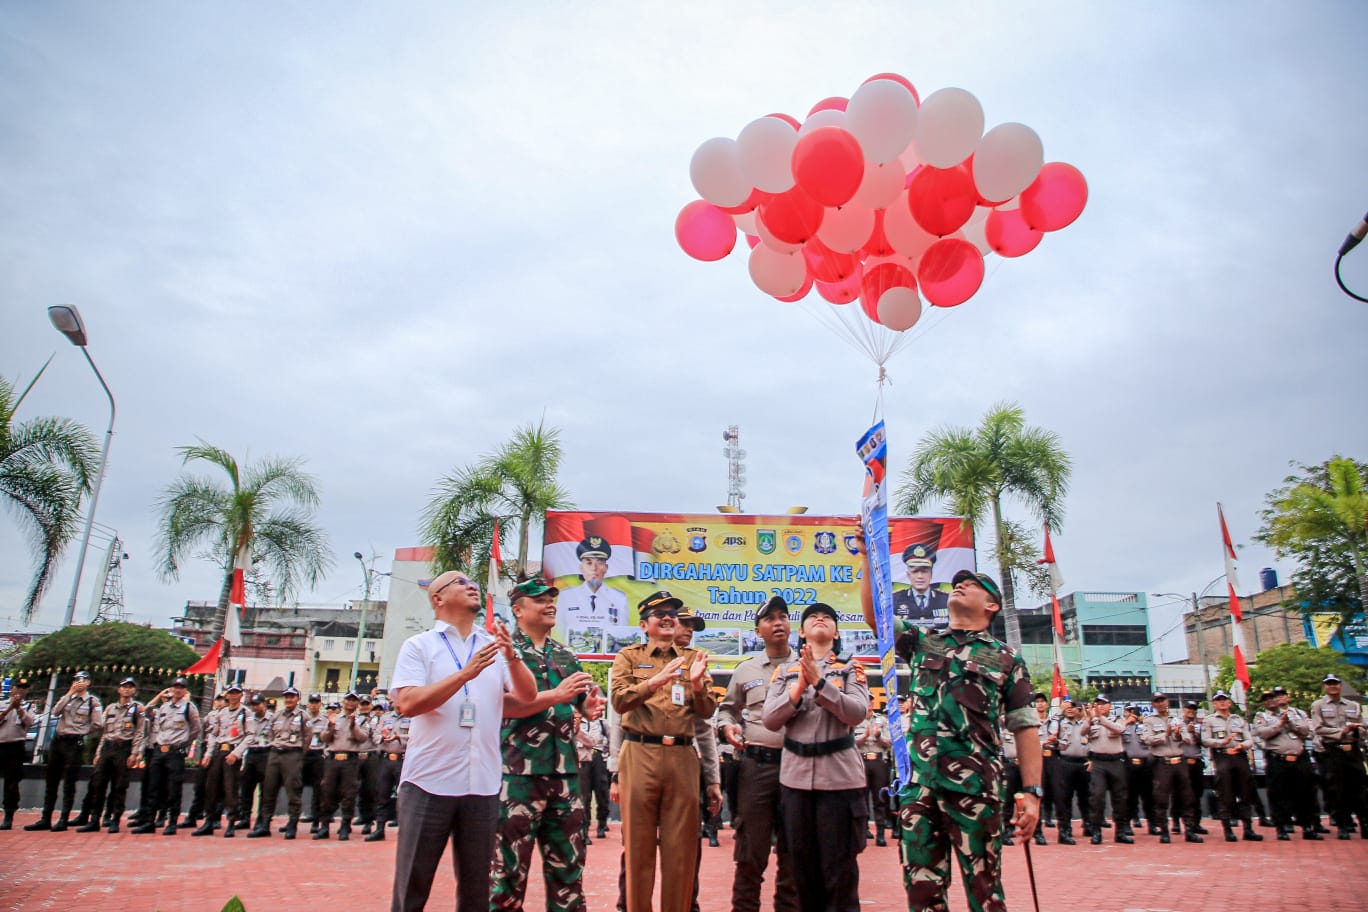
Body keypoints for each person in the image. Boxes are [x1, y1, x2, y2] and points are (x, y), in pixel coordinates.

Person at [859, 558, 1041, 912]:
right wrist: (867, 556)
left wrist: (1032, 792)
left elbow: (1025, 727)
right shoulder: (924, 642)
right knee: (923, 894)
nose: (960, 584)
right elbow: (875, 617)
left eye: (972, 583)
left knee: (985, 891)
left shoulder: (1006, 658)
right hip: (920, 787)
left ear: (992, 605)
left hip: (976, 791)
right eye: (958, 582)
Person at [388, 569, 536, 912]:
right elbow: (408, 703)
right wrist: (465, 674)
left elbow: (526, 698)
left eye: (472, 583)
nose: (471, 587)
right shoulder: (419, 646)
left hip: (481, 784)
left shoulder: (493, 647)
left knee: (476, 890)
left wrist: (511, 655)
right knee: (412, 884)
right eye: (460, 583)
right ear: (437, 598)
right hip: (428, 782)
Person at [491, 575, 606, 912]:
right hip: (518, 776)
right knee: (507, 875)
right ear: (518, 609)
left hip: (565, 776)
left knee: (569, 873)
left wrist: (589, 707)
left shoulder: (565, 655)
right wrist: (556, 696)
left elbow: (581, 701)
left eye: (552, 598)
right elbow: (503, 704)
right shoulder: (503, 652)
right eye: (540, 599)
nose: (549, 604)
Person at [610, 590, 714, 912]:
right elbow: (619, 701)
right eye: (660, 614)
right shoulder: (627, 656)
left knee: (680, 852)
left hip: (682, 757)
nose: (668, 617)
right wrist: (655, 681)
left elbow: (707, 712)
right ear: (645, 624)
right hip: (640, 753)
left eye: (672, 612)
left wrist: (697, 686)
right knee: (638, 850)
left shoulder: (694, 658)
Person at [762, 602, 869, 912]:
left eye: (827, 618)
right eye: (812, 617)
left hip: (839, 781)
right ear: (802, 632)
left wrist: (820, 684)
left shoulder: (851, 667)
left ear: (836, 633)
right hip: (795, 782)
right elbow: (770, 719)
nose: (820, 620)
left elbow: (857, 712)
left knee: (839, 873)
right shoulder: (785, 671)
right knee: (801, 871)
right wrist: (798, 689)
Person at [717, 594, 799, 912]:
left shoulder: (807, 666)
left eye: (782, 616)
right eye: (769, 619)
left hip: (799, 768)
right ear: (758, 631)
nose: (778, 623)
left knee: (794, 852)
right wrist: (727, 727)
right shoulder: (745, 670)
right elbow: (726, 711)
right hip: (756, 768)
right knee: (751, 852)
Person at [27, 669, 103, 832]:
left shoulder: (92, 702)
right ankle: (45, 818)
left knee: (69, 782)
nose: (79, 682)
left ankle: (63, 819)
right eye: (76, 679)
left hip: (74, 743)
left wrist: (82, 731)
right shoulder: (67, 697)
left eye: (82, 679)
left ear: (89, 682)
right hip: (58, 741)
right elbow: (55, 712)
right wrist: (69, 693)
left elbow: (98, 724)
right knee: (51, 780)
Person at [130, 677, 201, 835]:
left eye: (181, 687)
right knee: (153, 786)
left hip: (175, 752)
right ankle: (149, 821)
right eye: (175, 687)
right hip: (159, 750)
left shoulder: (189, 707)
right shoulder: (164, 707)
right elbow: (146, 711)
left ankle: (172, 822)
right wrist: (159, 696)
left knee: (173, 788)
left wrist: (183, 743)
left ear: (185, 690)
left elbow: (196, 729)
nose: (177, 690)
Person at [76, 676, 145, 833]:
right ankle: (94, 820)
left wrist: (135, 753)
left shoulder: (137, 709)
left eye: (130, 687)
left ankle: (114, 818)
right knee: (98, 784)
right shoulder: (110, 708)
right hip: (108, 748)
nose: (127, 689)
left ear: (134, 690)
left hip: (124, 749)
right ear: (119, 689)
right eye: (124, 686)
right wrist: (99, 752)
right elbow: (104, 732)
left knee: (119, 786)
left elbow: (139, 732)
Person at [1253, 686, 1321, 840]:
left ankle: (1307, 826)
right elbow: (1263, 733)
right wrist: (1279, 724)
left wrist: (1289, 723)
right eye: (1267, 700)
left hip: (1299, 758)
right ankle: (1282, 827)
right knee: (1279, 794)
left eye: (1273, 697)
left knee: (1305, 793)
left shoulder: (1296, 713)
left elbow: (1307, 732)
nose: (1271, 701)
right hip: (1278, 759)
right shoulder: (1261, 716)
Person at [1199, 690, 1262, 842]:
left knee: (1245, 793)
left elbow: (1249, 739)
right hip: (1222, 756)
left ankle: (1248, 829)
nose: (1222, 702)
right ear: (1214, 703)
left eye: (1224, 700)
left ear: (1229, 702)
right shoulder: (1209, 721)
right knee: (1225, 794)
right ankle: (1228, 830)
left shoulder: (1239, 720)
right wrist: (1222, 742)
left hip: (1239, 756)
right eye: (1218, 700)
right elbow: (1205, 740)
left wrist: (1242, 745)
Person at [1139, 693, 1202, 843]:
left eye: (1163, 701)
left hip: (1180, 761)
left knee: (1187, 797)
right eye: (1157, 702)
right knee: (1161, 798)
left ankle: (1190, 830)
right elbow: (1147, 740)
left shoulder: (1177, 719)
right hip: (1162, 762)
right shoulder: (1149, 721)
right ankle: (1164, 831)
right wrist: (1165, 736)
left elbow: (1188, 740)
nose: (1160, 704)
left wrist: (1179, 734)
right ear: (1153, 705)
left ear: (1167, 702)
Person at [1310, 673, 1367, 839]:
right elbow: (1318, 728)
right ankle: (1343, 824)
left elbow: (1362, 728)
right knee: (1337, 789)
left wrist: (1357, 730)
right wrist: (1342, 732)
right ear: (1325, 687)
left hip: (1353, 750)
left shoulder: (1353, 705)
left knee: (1360, 788)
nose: (1332, 686)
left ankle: (1364, 823)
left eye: (1335, 683)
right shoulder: (1318, 705)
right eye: (1329, 684)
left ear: (1341, 686)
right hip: (1334, 751)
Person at [248, 685, 309, 839]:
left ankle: (292, 825)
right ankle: (264, 824)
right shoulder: (277, 716)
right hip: (275, 753)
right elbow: (268, 734)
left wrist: (299, 753)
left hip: (292, 754)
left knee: (292, 790)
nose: (289, 700)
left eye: (292, 697)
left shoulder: (303, 716)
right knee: (269, 790)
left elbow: (307, 737)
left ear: (297, 699)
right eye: (287, 697)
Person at [558, 536, 629, 651]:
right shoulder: (566, 597)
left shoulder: (619, 598)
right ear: (581, 568)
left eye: (599, 563)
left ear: (606, 568)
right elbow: (559, 633)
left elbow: (622, 634)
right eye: (589, 563)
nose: (594, 568)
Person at [195, 684, 248, 837]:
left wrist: (237, 753)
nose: (233, 696)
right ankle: (209, 821)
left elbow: (250, 736)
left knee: (230, 789)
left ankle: (231, 822)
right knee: (211, 787)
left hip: (233, 751)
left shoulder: (245, 713)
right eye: (231, 693)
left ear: (241, 695)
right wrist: (208, 754)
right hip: (219, 751)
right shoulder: (220, 713)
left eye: (236, 693)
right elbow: (212, 734)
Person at [313, 690, 367, 840]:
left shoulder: (361, 720)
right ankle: (324, 826)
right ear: (344, 702)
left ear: (357, 703)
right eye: (348, 700)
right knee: (327, 792)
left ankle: (345, 826)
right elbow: (324, 738)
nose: (350, 702)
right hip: (333, 759)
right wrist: (330, 726)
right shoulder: (333, 718)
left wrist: (353, 725)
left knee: (348, 794)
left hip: (350, 760)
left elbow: (363, 738)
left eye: (354, 700)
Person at [1086, 695, 1131, 843]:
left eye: (1104, 704)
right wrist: (1090, 719)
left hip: (1116, 762)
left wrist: (1101, 719)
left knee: (1120, 798)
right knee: (1097, 797)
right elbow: (1082, 732)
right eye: (1098, 704)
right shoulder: (1092, 720)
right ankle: (1096, 831)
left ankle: (1120, 831)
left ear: (1110, 706)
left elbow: (1119, 729)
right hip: (1098, 763)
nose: (1101, 707)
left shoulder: (1118, 719)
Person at [366, 701, 408, 841]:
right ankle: (379, 828)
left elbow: (416, 737)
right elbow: (375, 735)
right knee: (382, 794)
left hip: (403, 759)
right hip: (385, 759)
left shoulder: (413, 717)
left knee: (404, 796)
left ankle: (405, 830)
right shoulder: (385, 718)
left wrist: (399, 738)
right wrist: (381, 738)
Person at [854, 702, 893, 846]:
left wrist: (878, 736)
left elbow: (890, 741)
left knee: (880, 798)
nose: (869, 705)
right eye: (865, 701)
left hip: (878, 761)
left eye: (870, 701)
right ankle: (863, 831)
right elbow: (849, 741)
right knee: (861, 798)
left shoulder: (882, 720)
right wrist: (863, 737)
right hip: (861, 760)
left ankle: (881, 834)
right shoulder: (855, 719)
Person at [1052, 697, 1090, 844]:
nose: (1070, 709)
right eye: (1068, 706)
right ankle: (1064, 830)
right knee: (1064, 799)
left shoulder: (1085, 724)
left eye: (1074, 707)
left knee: (1086, 797)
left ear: (1079, 709)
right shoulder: (1058, 723)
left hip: (1083, 763)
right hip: (1066, 763)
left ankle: (1088, 825)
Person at [0, 677, 36, 830]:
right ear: (12, 688)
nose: (21, 690)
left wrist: (19, 709)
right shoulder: (1, 703)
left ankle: (9, 815)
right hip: (0, 744)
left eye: (24, 687)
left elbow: (30, 722)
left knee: (12, 782)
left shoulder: (29, 706)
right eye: (18, 687)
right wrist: (9, 709)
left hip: (16, 746)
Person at [235, 693, 274, 831]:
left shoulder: (272, 718)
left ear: (264, 704)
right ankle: (245, 817)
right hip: (251, 753)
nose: (256, 707)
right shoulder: (249, 718)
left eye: (258, 704)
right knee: (246, 788)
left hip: (265, 753)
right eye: (253, 705)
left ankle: (261, 819)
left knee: (265, 789)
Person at [891, 542, 949, 630]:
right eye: (915, 571)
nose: (920, 576)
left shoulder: (946, 600)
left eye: (924, 571)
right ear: (908, 575)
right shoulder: (894, 600)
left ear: (931, 574)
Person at [1120, 705, 1158, 834]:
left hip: (1146, 763)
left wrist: (1142, 722)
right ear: (1125, 713)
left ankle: (1152, 823)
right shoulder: (1120, 725)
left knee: (1149, 795)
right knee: (1129, 795)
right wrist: (1126, 723)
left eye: (1135, 712)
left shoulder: (1144, 725)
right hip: (1128, 763)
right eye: (1129, 712)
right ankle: (1128, 823)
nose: (1132, 714)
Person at [576, 701, 611, 841]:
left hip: (598, 759)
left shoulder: (603, 724)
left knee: (602, 793)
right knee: (584, 796)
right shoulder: (577, 722)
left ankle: (602, 824)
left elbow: (611, 740)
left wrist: (607, 757)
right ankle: (584, 829)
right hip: (583, 761)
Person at [1178, 701, 1209, 833]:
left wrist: (1195, 734)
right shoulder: (1177, 724)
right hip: (1183, 762)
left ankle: (1196, 822)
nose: (1191, 711)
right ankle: (1187, 823)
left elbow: (1205, 743)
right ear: (1183, 709)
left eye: (1194, 709)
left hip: (1196, 762)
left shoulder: (1200, 726)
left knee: (1197, 794)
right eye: (1189, 708)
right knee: (1185, 794)